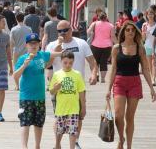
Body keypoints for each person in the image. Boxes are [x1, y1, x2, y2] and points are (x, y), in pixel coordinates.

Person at [105, 21, 156, 149]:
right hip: (119, 82)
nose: (130, 32)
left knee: (130, 117)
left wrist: (151, 88)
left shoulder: (140, 48)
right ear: (123, 32)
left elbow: (145, 68)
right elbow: (113, 69)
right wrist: (108, 89)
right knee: (118, 115)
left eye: (132, 30)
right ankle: (120, 138)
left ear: (135, 33)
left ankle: (128, 145)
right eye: (127, 30)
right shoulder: (116, 48)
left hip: (134, 82)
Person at [46, 20, 98, 148]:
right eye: (60, 31)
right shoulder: (52, 45)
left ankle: (75, 142)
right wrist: (56, 52)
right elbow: (46, 65)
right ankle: (57, 144)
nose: (63, 33)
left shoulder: (81, 43)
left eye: (65, 30)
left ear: (71, 29)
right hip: (59, 88)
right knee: (59, 117)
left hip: (77, 86)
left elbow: (92, 62)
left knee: (78, 117)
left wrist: (93, 74)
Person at [13, 33, 62, 149]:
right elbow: (15, 76)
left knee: (39, 123)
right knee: (25, 123)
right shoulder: (22, 58)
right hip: (26, 97)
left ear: (39, 44)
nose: (34, 45)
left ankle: (37, 146)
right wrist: (24, 65)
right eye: (31, 43)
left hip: (40, 97)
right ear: (27, 45)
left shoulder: (41, 55)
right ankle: (24, 146)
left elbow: (54, 54)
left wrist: (63, 50)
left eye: (36, 43)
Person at [49, 51, 86, 149]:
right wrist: (56, 88)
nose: (68, 65)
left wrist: (83, 108)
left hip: (73, 109)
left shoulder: (77, 74)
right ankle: (57, 145)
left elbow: (81, 92)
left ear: (73, 62)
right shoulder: (57, 74)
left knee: (73, 131)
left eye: (70, 63)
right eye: (65, 62)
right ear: (61, 61)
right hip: (60, 109)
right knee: (59, 131)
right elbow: (51, 92)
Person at [87, 12, 116, 83]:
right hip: (107, 46)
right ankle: (103, 78)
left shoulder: (94, 24)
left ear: (98, 17)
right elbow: (112, 37)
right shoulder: (111, 25)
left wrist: (92, 33)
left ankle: (95, 74)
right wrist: (117, 44)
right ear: (106, 18)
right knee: (104, 62)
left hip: (95, 45)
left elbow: (88, 32)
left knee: (95, 62)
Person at [10, 12, 32, 79]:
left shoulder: (13, 29)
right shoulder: (29, 29)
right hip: (27, 51)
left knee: (16, 68)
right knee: (26, 68)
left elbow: (11, 43)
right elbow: (31, 40)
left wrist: (10, 53)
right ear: (24, 19)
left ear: (16, 19)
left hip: (16, 51)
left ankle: (17, 85)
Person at [140, 10, 156, 86]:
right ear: (146, 16)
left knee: (154, 63)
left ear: (154, 15)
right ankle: (151, 77)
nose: (150, 16)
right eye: (148, 14)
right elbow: (143, 39)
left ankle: (153, 78)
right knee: (149, 64)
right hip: (147, 46)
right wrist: (144, 32)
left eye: (152, 14)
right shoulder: (144, 25)